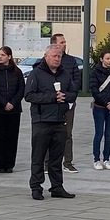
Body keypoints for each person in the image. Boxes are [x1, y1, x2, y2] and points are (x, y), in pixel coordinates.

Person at [25, 44, 76, 199]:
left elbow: (74, 92)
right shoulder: (36, 74)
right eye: (54, 56)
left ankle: (57, 187)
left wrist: (65, 96)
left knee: (56, 157)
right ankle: (36, 187)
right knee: (38, 156)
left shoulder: (65, 74)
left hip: (60, 121)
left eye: (59, 56)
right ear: (46, 56)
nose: (57, 59)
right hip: (42, 121)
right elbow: (29, 96)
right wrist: (52, 97)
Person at [0, 47, 26, 173]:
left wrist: (12, 103)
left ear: (9, 56)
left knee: (11, 138)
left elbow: (21, 89)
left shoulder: (17, 72)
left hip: (13, 110)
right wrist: (4, 103)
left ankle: (9, 164)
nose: (0, 57)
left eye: (3, 55)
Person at [88, 49, 110, 169]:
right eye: (107, 58)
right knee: (99, 133)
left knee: (109, 134)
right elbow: (94, 90)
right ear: (101, 59)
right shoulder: (95, 73)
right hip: (99, 107)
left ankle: (106, 159)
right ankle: (96, 159)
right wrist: (106, 102)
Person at [52, 33, 80, 172]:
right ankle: (47, 163)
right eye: (61, 42)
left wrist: (69, 96)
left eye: (64, 42)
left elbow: (77, 80)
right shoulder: (47, 61)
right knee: (49, 133)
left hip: (68, 102)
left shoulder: (71, 61)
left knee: (67, 133)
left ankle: (68, 162)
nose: (64, 44)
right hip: (52, 102)